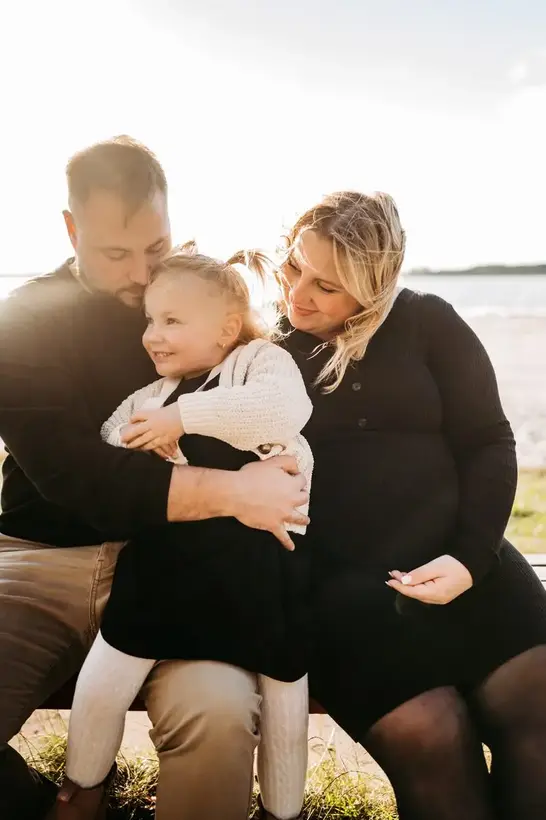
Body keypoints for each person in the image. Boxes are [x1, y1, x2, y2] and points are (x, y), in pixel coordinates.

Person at [0, 136, 308, 820]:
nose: (142, 274)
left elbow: (273, 379)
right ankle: (54, 803)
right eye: (116, 254)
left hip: (182, 558)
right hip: (37, 559)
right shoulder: (24, 320)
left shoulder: (196, 298)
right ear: (71, 230)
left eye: (157, 248)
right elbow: (79, 476)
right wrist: (237, 492)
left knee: (221, 719)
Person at [278, 190, 546, 820]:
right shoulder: (267, 356)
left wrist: (470, 558)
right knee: (436, 739)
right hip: (350, 595)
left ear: (374, 288)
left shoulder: (429, 321)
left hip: (469, 561)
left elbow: (488, 442)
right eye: (295, 267)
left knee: (541, 713)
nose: (299, 294)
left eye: (328, 285)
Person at [51, 244, 314, 820]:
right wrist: (150, 447)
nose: (152, 334)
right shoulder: (153, 395)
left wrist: (183, 422)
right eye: (149, 319)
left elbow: (282, 410)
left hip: (261, 569)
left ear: (225, 327)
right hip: (164, 570)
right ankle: (81, 788)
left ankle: (282, 810)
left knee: (284, 696)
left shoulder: (260, 362)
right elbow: (108, 440)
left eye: (171, 320)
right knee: (103, 679)